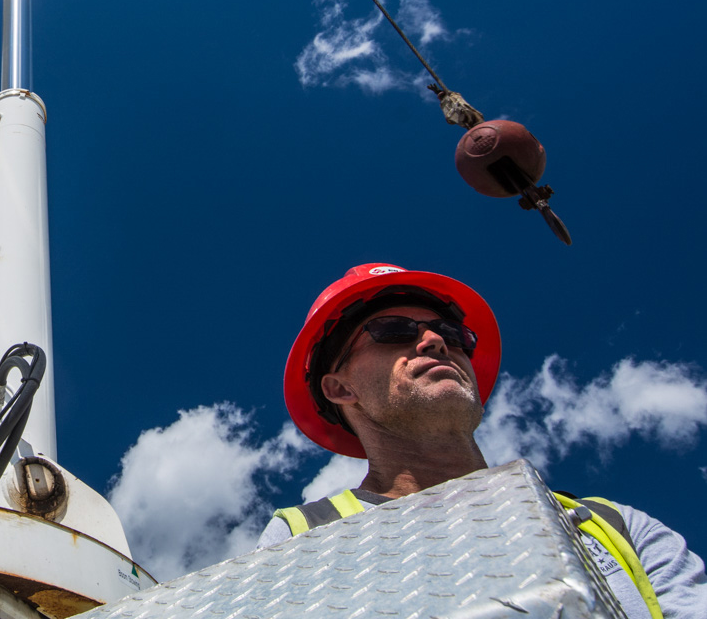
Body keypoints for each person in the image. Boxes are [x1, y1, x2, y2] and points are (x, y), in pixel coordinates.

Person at [258, 263, 705, 619]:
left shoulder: (612, 526)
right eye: (393, 331)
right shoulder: (305, 537)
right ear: (339, 389)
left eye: (452, 334)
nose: (435, 341)